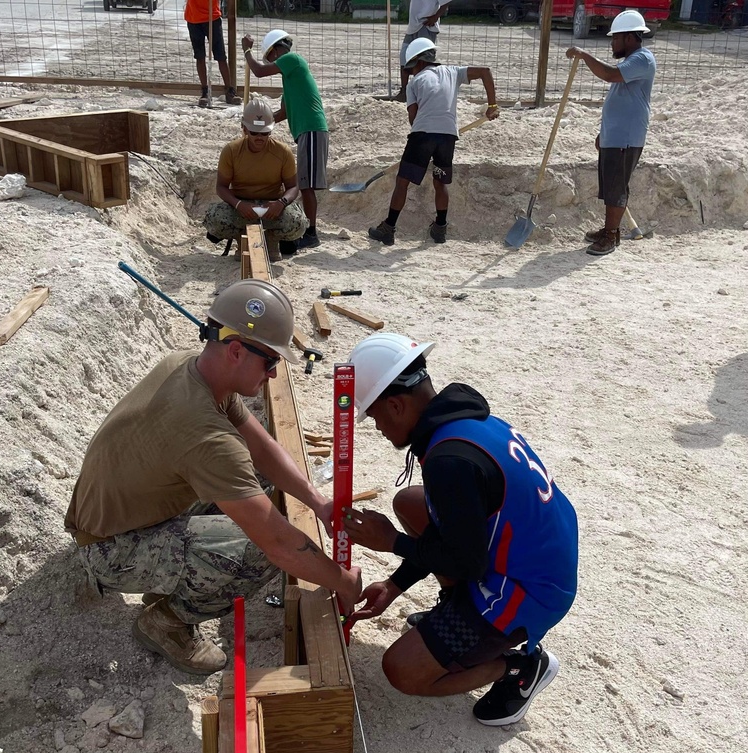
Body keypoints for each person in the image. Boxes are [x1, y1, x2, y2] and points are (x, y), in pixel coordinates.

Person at [66, 279, 362, 675]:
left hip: (117, 515)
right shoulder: (204, 433)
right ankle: (167, 621)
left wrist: (316, 500)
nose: (273, 374)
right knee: (260, 550)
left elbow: (261, 448)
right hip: (108, 549)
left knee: (259, 481)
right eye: (270, 361)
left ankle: (172, 573)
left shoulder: (194, 368)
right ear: (237, 351)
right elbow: (278, 545)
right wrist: (344, 582)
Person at [340, 332, 578, 726]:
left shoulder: (448, 461)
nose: (377, 427)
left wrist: (392, 543)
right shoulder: (467, 423)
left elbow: (466, 562)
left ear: (396, 404)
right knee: (409, 502)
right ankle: (455, 611)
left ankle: (519, 668)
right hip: (535, 559)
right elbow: (453, 533)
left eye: (375, 416)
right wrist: (396, 585)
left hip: (527, 591)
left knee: (402, 670)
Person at [369, 39, 498, 246]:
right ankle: (440, 228)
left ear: (418, 62)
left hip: (423, 135)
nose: (410, 72)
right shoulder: (454, 72)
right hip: (447, 137)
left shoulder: (414, 83)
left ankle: (388, 228)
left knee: (403, 182)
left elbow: (413, 118)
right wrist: (492, 105)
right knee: (440, 182)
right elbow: (485, 71)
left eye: (411, 67)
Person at [567, 10, 656, 256]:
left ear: (628, 37)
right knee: (610, 186)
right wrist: (603, 134)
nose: (612, 43)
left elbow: (609, 75)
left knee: (616, 187)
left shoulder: (642, 59)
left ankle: (611, 235)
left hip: (626, 138)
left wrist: (585, 55)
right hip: (615, 136)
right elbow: (618, 96)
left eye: (615, 38)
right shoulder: (631, 62)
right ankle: (610, 229)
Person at [241, 29, 328, 250]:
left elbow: (259, 72)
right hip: (305, 132)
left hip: (312, 129)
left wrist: (247, 51)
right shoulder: (291, 80)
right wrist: (257, 126)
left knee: (305, 186)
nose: (271, 62)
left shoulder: (292, 59)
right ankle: (309, 231)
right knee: (305, 183)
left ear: (278, 50)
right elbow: (283, 113)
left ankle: (311, 232)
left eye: (270, 57)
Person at [204, 98, 308, 257]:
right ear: (244, 129)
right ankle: (241, 238)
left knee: (298, 223)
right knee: (214, 219)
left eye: (265, 133)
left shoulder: (282, 152)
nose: (259, 138)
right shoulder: (231, 151)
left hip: (273, 208)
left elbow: (293, 187)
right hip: (241, 208)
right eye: (254, 133)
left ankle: (271, 240)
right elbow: (221, 187)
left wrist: (280, 204)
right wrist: (239, 205)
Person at [185, 0, 242, 107]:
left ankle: (229, 91)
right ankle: (205, 91)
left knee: (221, 56)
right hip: (194, 18)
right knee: (200, 56)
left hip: (213, 17)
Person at [397, 1, 451, 101]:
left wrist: (435, 17)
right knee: (404, 57)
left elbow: (446, 2)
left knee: (424, 61)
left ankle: (422, 92)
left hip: (427, 26)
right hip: (413, 27)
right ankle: (404, 91)